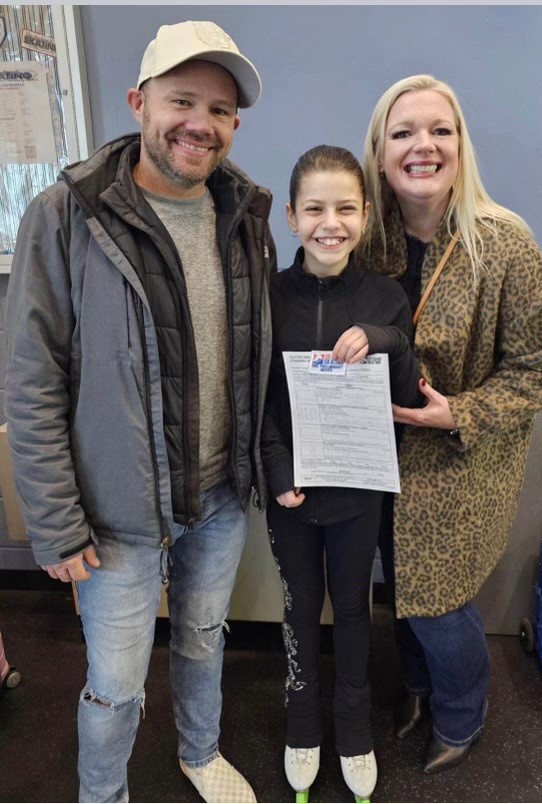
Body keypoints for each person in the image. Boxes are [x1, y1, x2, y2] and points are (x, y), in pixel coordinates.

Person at [5, 20, 275, 803]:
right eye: (182, 100)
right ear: (138, 103)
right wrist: (54, 521)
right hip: (114, 515)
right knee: (115, 684)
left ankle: (199, 751)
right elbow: (32, 378)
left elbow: (252, 354)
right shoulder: (65, 214)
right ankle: (103, 795)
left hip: (218, 498)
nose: (201, 123)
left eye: (221, 110)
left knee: (201, 641)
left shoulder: (244, 215)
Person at [360, 74, 542, 774]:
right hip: (373, 460)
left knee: (440, 608)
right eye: (403, 133)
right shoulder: (362, 241)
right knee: (400, 592)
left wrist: (464, 411)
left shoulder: (502, 244)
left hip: (460, 463)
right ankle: (418, 693)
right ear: (380, 150)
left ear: (460, 145)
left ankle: (461, 715)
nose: (422, 146)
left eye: (439, 130)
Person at [261, 145, 422, 801]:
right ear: (293, 216)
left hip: (358, 488)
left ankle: (352, 729)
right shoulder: (269, 296)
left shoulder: (384, 295)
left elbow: (409, 391)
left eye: (345, 208)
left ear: (363, 215)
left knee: (354, 610)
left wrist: (383, 339)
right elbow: (259, 397)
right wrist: (274, 469)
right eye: (315, 208)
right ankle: (303, 725)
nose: (331, 223)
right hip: (291, 492)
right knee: (300, 610)